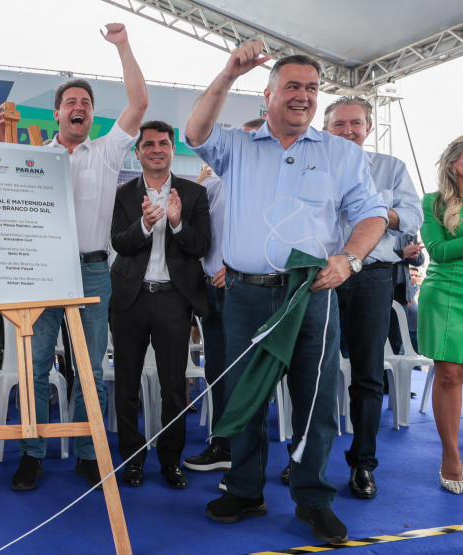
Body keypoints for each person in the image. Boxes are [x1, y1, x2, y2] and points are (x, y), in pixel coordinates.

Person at [185, 41, 387, 543]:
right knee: (244, 397)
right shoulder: (236, 145)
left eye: (312, 88)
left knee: (315, 401)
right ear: (269, 93)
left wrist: (350, 258)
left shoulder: (341, 153)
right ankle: (245, 490)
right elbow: (193, 133)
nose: (303, 96)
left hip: (311, 295)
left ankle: (313, 499)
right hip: (245, 295)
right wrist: (229, 71)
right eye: (292, 86)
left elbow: (373, 214)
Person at [0, 23, 148, 492]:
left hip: (94, 272)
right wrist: (1, 136)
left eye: (86, 104)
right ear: (57, 112)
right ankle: (32, 454)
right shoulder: (34, 157)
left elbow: (139, 103)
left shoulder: (105, 152)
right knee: (35, 366)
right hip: (41, 274)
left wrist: (122, 45)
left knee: (89, 369)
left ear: (92, 116)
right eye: (70, 103)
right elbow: (0, 197)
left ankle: (88, 452)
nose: (78, 108)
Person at [323, 95, 423, 499]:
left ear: (367, 127)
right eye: (339, 124)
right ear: (326, 129)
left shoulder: (391, 167)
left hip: (372, 276)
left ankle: (363, 464)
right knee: (312, 373)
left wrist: (377, 208)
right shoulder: (311, 166)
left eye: (356, 124)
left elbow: (413, 218)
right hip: (320, 276)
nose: (348, 131)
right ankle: (307, 460)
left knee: (367, 374)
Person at [109, 120, 210, 489]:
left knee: (173, 388)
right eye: (148, 144)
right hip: (129, 301)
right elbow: (120, 242)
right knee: (126, 386)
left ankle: (171, 460)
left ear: (171, 149)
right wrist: (146, 226)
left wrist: (178, 223)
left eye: (163, 143)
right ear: (138, 152)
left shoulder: (192, 194)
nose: (156, 149)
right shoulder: (122, 193)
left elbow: (201, 245)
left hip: (173, 300)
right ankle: (132, 461)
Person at [184, 118, 265, 481]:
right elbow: (199, 234)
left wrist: (233, 267)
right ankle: (223, 445)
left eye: (252, 140)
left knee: (243, 374)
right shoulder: (214, 186)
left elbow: (270, 238)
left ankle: (241, 452)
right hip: (212, 293)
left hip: (246, 292)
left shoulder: (269, 187)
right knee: (217, 371)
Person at [417, 135, 463, 494]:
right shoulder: (432, 202)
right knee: (449, 376)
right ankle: (451, 456)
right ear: (453, 163)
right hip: (446, 292)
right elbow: (439, 251)